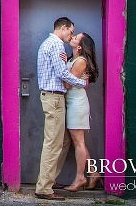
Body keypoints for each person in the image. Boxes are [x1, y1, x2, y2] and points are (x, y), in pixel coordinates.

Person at [35, 17, 88, 201]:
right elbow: (62, 74)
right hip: (54, 98)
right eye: (71, 31)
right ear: (63, 28)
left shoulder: (49, 44)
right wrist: (81, 82)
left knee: (63, 141)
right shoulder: (56, 44)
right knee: (53, 143)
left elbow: (59, 70)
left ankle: (49, 179)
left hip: (54, 98)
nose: (71, 35)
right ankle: (44, 188)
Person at [62, 33, 102, 192]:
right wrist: (65, 62)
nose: (72, 37)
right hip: (73, 102)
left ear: (80, 47)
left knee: (78, 142)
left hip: (77, 104)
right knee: (77, 141)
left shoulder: (80, 61)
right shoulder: (73, 59)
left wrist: (61, 66)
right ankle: (93, 173)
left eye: (76, 37)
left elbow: (67, 84)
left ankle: (80, 177)